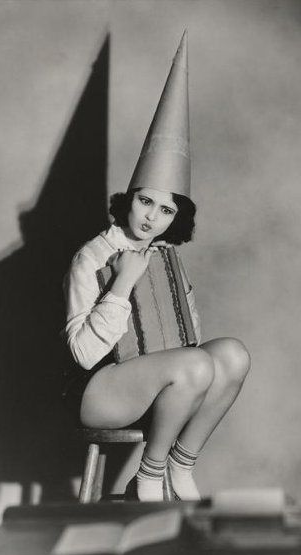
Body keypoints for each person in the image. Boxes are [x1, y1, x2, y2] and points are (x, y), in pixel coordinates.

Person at [63, 32, 251, 502]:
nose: (151, 217)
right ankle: (148, 475)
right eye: (146, 201)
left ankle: (180, 464)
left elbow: (187, 342)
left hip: (163, 383)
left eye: (165, 211)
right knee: (194, 364)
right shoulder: (92, 256)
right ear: (129, 199)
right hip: (98, 393)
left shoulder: (168, 258)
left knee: (231, 353)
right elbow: (83, 355)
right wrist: (121, 285)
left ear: (175, 218)